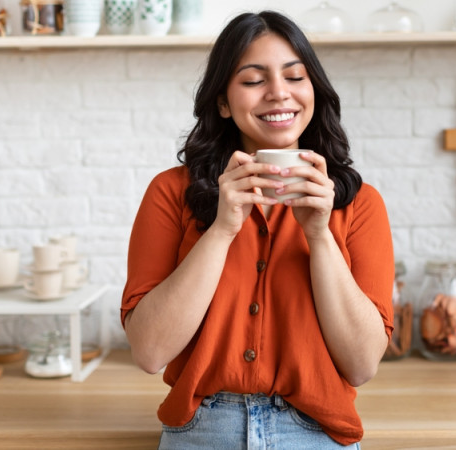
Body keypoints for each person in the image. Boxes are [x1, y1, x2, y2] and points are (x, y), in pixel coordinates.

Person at [121, 10, 394, 449]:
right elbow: (150, 352)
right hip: (201, 431)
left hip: (316, 432)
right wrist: (223, 229)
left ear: (314, 93)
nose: (278, 93)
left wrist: (320, 236)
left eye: (295, 77)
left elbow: (362, 364)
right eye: (253, 81)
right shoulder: (170, 193)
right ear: (224, 102)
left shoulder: (359, 205)